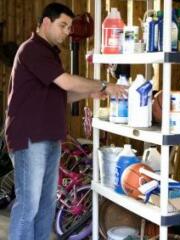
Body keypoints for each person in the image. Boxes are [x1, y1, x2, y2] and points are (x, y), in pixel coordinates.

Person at [4, 3, 127, 240]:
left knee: (46, 204)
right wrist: (103, 85)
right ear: (46, 23)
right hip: (30, 137)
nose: (67, 32)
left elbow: (64, 94)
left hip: (49, 136)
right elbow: (67, 82)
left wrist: (89, 93)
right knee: (29, 205)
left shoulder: (49, 54)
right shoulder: (32, 49)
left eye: (69, 27)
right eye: (63, 25)